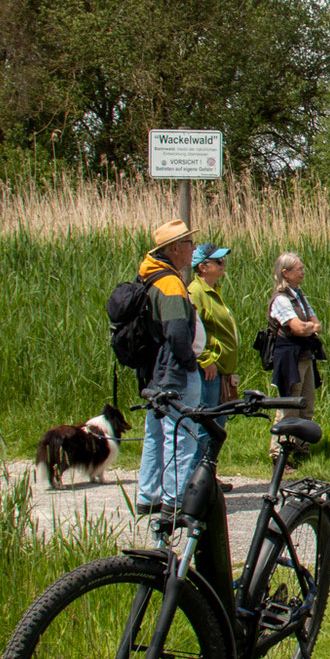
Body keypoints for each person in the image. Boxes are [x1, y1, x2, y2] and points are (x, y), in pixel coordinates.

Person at [133, 219, 204, 516]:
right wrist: (189, 364)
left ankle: (148, 495)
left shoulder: (148, 276)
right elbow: (176, 331)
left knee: (156, 433)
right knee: (182, 434)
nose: (193, 248)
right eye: (188, 243)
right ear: (175, 248)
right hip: (175, 371)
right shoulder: (170, 282)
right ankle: (175, 501)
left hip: (154, 371)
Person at [262, 252, 324, 439]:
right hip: (290, 360)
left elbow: (317, 325)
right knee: (289, 407)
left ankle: (300, 446)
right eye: (299, 269)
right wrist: (308, 327)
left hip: (305, 357)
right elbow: (297, 328)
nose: (303, 272)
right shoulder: (281, 299)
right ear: (285, 273)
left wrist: (310, 327)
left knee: (306, 406)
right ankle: (280, 454)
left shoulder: (299, 297)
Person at [187, 243, 239, 429]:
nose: (223, 264)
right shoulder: (196, 292)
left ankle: (210, 459)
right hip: (209, 371)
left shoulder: (213, 290)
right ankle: (199, 459)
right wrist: (206, 359)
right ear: (203, 267)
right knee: (207, 424)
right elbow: (192, 330)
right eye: (218, 261)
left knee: (218, 423)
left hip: (220, 369)